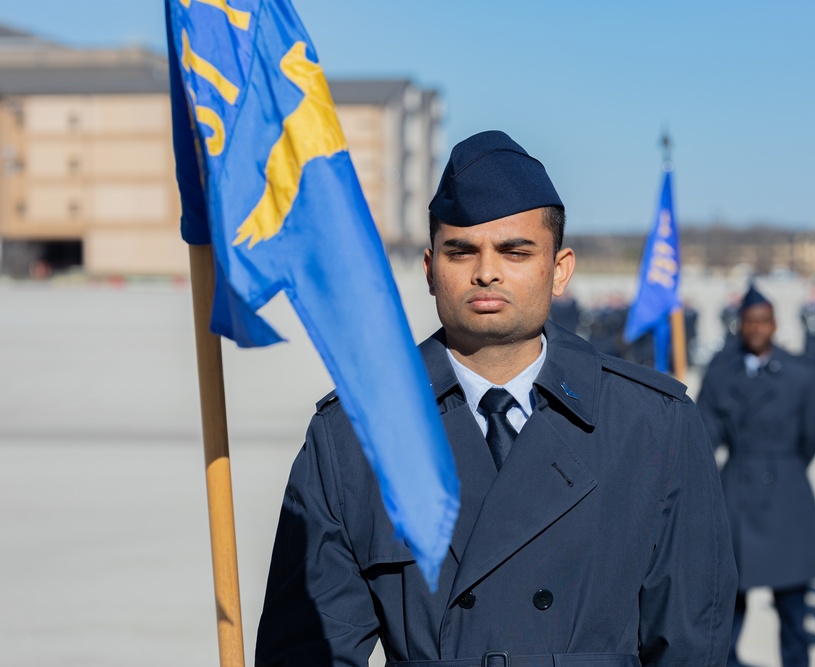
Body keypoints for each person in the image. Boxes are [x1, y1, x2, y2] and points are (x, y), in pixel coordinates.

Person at [257, 130, 738, 667]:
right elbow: (306, 649)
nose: (486, 271)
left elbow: (695, 644)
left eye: (515, 251)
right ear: (430, 271)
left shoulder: (652, 426)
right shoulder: (353, 437)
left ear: (559, 270)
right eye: (461, 251)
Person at [697, 285, 815, 667]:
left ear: (774, 325)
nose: (756, 328)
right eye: (749, 322)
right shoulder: (722, 372)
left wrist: (783, 465)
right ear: (740, 325)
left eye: (763, 321)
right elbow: (705, 434)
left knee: (792, 606)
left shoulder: (801, 374)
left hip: (787, 490)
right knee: (728, 600)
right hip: (736, 489)